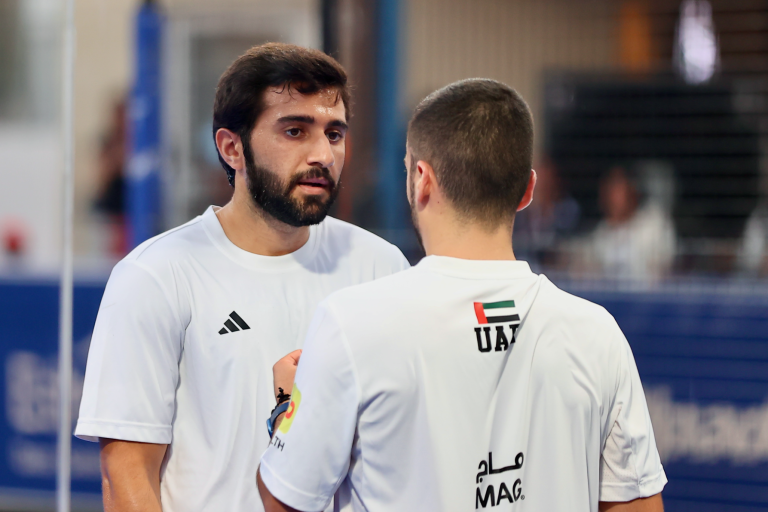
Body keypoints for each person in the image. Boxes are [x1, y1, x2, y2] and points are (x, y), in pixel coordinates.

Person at [257, 79, 666, 512]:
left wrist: (287, 406)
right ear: (527, 190)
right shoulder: (598, 334)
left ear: (421, 180)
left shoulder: (350, 323)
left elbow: (284, 502)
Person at [74, 43, 409, 512]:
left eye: (334, 133)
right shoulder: (155, 275)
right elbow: (126, 475)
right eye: (295, 130)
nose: (323, 154)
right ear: (232, 148)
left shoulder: (381, 268)